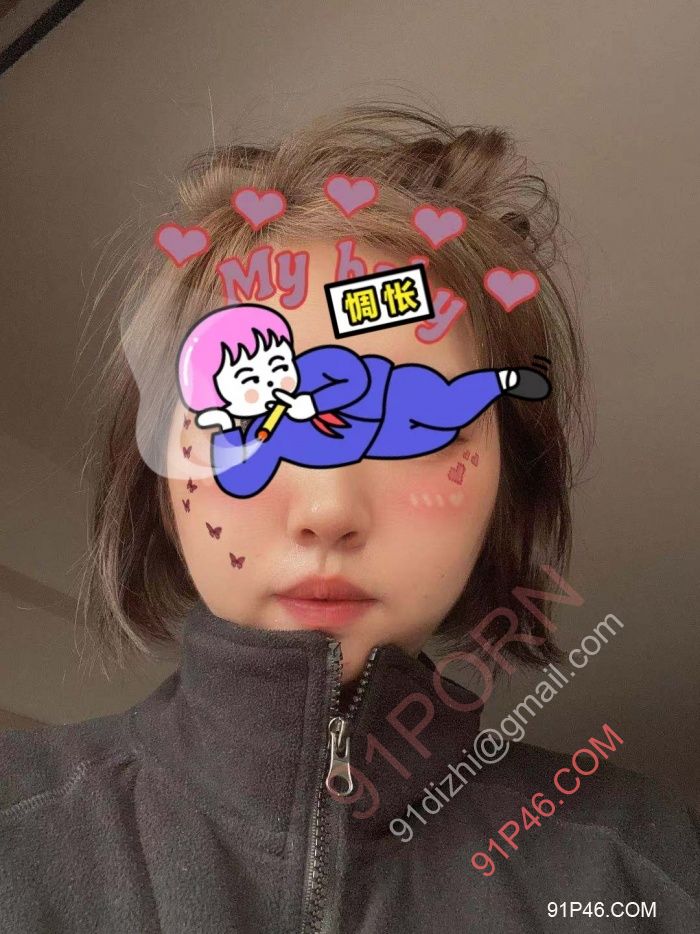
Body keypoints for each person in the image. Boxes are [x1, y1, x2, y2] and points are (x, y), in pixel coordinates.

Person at [0, 103, 697, 933]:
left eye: (415, 438)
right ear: (158, 475)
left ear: (506, 488)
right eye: (242, 424)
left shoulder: (642, 866)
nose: (328, 511)